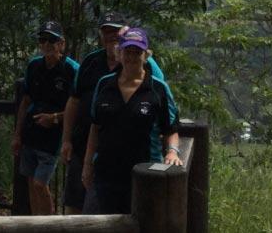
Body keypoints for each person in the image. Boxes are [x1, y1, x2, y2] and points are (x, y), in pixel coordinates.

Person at [60, 12, 166, 214]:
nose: (111, 35)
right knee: (75, 207)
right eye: (106, 31)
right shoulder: (91, 62)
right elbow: (74, 100)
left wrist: (169, 149)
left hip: (129, 159)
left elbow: (161, 103)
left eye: (115, 31)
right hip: (85, 147)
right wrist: (66, 140)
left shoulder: (147, 67)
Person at [83, 27, 181, 214]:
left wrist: (172, 152)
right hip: (106, 173)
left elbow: (171, 128)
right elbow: (95, 127)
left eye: (137, 52)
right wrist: (88, 165)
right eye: (128, 51)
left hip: (145, 174)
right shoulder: (104, 85)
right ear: (120, 53)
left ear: (146, 56)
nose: (132, 57)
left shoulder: (157, 89)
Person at [12, 21, 78, 215]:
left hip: (54, 138)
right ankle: (36, 223)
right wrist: (17, 134)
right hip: (31, 134)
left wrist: (55, 118)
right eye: (43, 40)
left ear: (62, 43)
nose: (47, 44)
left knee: (41, 183)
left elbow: (79, 108)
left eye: (52, 40)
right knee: (32, 182)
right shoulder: (34, 66)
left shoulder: (72, 70)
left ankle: (49, 224)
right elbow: (25, 101)